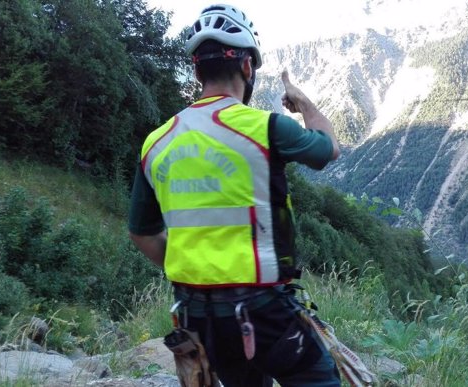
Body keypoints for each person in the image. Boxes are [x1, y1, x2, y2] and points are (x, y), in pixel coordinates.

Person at [128, 3, 341, 386]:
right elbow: (327, 149)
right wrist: (302, 101)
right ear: (247, 68)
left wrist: (196, 270)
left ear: (196, 71)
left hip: (196, 319)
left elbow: (143, 233)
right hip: (264, 311)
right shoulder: (265, 127)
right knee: (318, 378)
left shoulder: (156, 144)